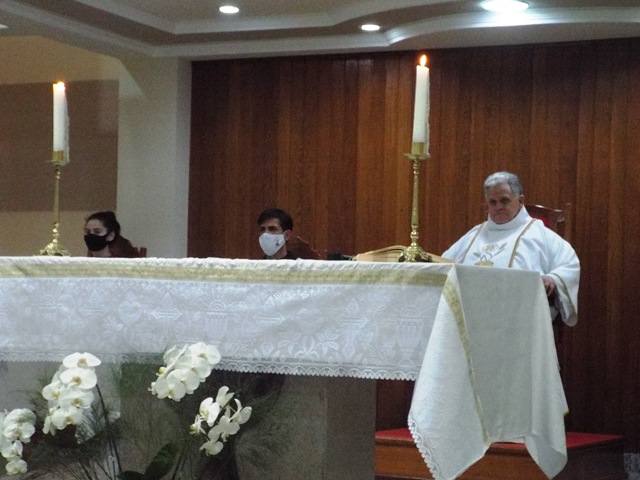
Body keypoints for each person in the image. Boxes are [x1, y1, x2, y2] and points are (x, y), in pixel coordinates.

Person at [442, 171, 579, 326]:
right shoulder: (474, 235)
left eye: (504, 200)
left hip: (519, 321)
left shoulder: (539, 233)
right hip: (468, 318)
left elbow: (569, 264)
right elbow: (443, 264)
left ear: (520, 200)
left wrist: (553, 279)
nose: (498, 207)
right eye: (492, 202)